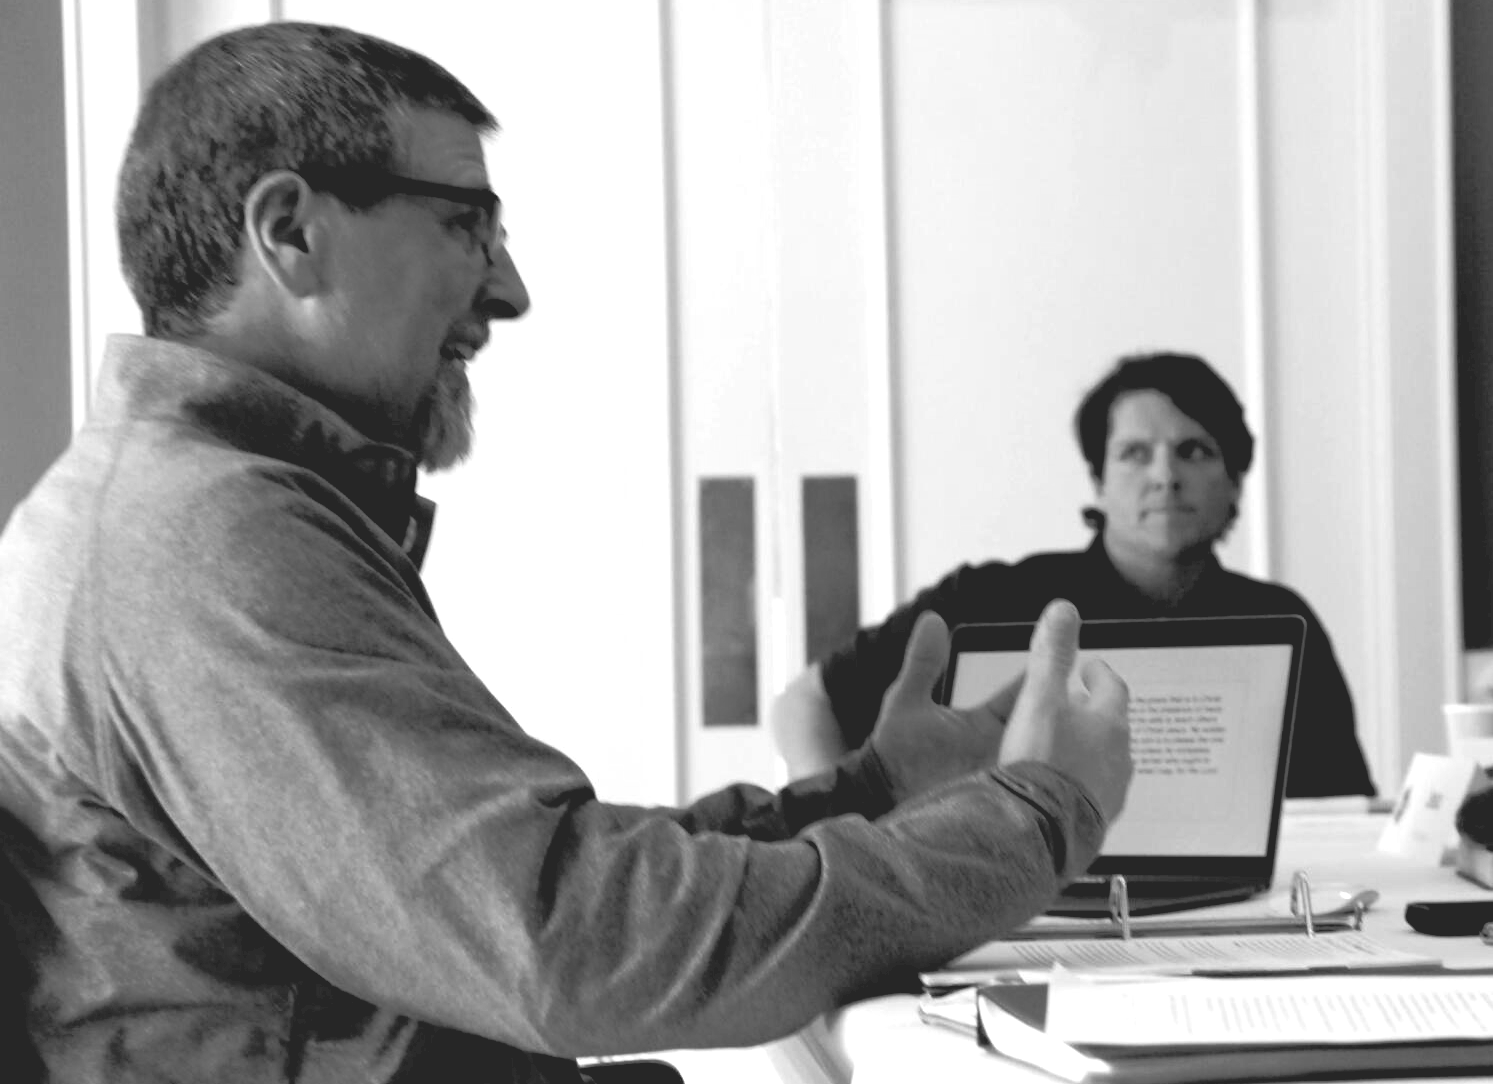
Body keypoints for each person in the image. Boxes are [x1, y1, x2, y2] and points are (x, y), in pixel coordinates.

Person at [0, 22, 1133, 1084]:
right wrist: (1033, 815)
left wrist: (875, 791)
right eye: (465, 223)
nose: (510, 288)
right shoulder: (201, 542)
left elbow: (536, 875)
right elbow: (577, 943)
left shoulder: (181, 505)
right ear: (290, 232)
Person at [773, 351, 1374, 798]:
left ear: (1235, 481)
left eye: (1194, 451)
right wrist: (840, 826)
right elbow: (804, 703)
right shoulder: (990, 597)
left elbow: (1346, 807)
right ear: (1098, 481)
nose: (1165, 476)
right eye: (1135, 453)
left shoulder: (1280, 621)